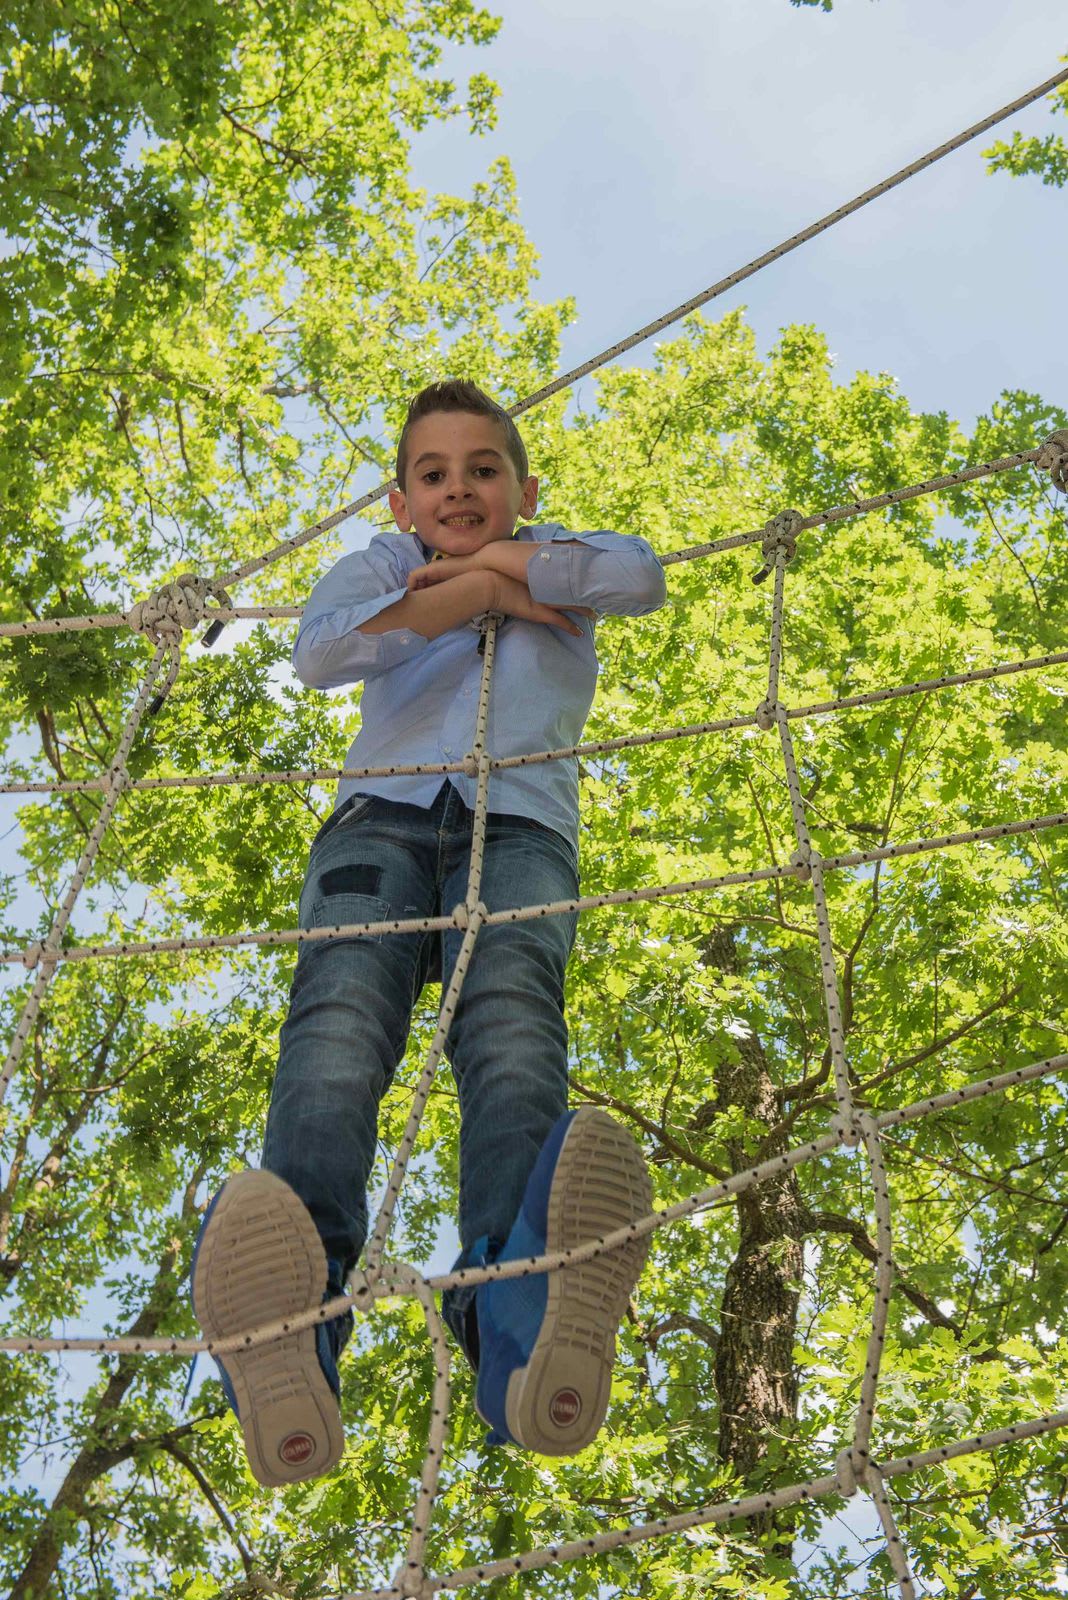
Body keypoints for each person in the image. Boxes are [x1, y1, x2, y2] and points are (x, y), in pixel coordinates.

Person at [191, 380, 667, 1486]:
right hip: (382, 821)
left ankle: (518, 1317)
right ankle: (291, 1329)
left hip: (521, 825)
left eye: (483, 471)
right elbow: (322, 651)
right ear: (401, 498)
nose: (459, 488)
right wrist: (481, 595)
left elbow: (635, 575)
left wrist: (501, 568)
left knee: (509, 1029)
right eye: (434, 475)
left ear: (524, 487)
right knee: (337, 1032)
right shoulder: (376, 562)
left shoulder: (561, 548)